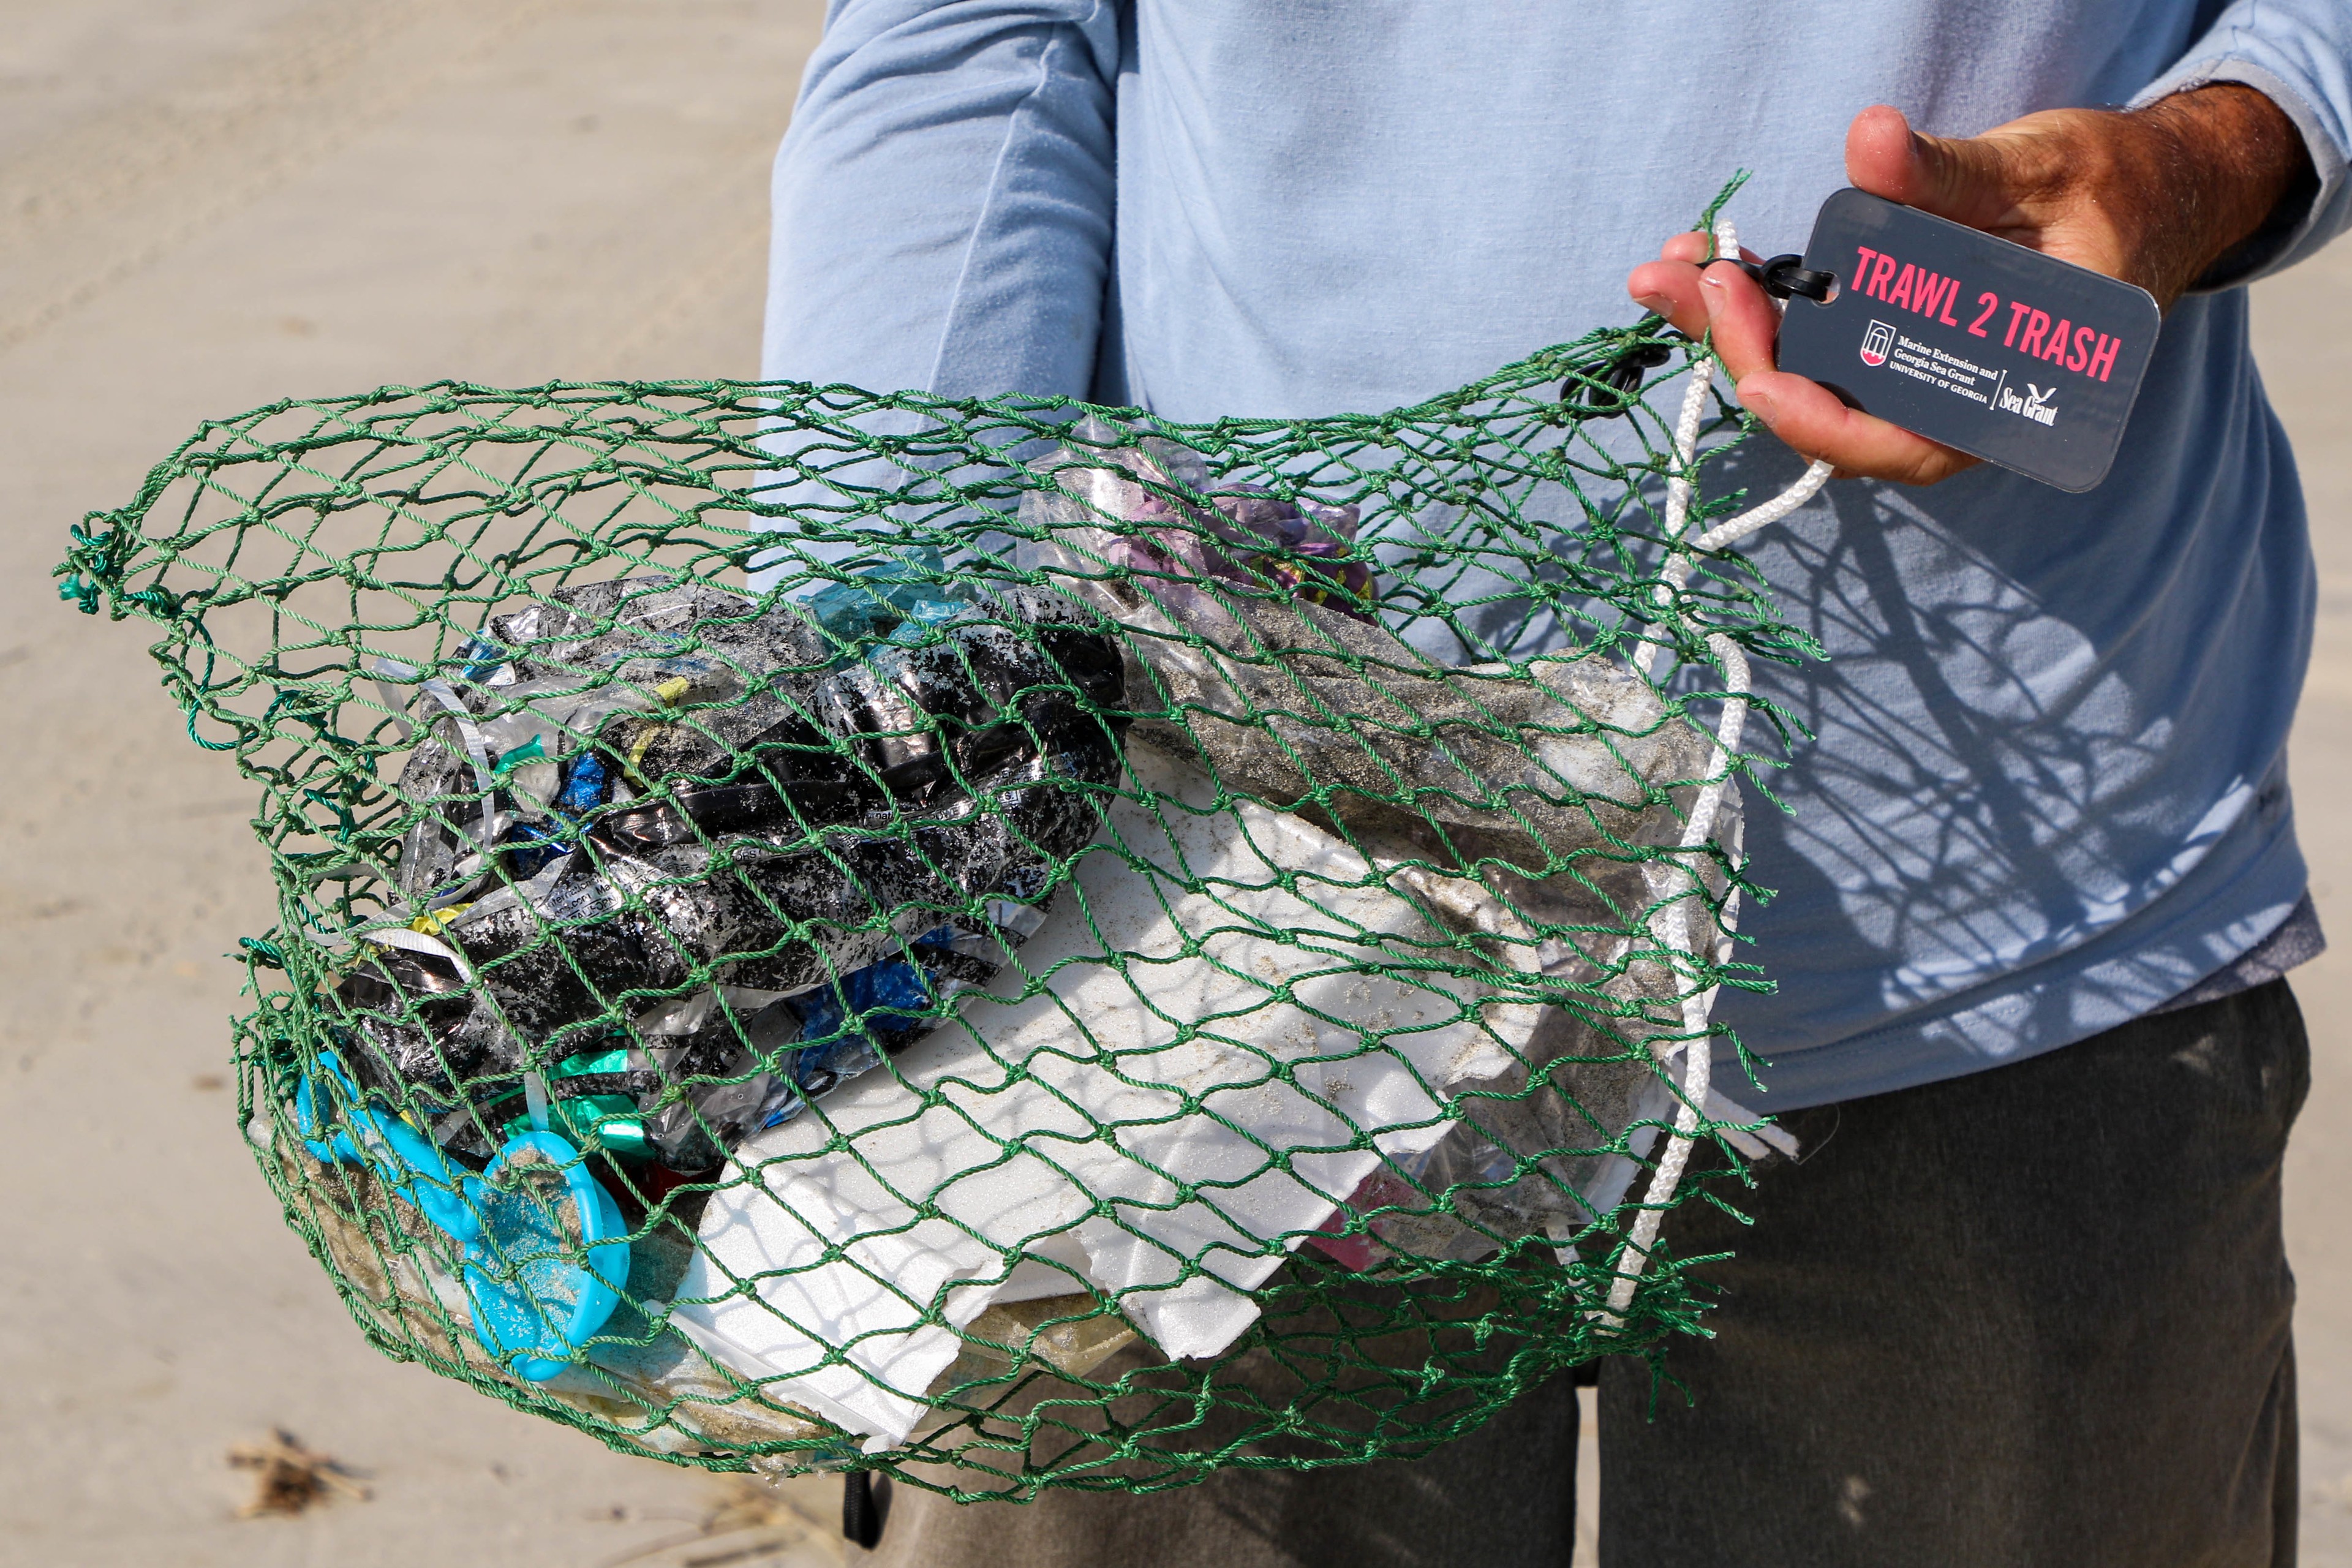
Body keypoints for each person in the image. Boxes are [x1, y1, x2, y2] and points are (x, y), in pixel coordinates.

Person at [756, 6, 2348, 1564]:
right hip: (1215, 944)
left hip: (2019, 944)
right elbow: (974, 35)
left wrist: (2217, 151)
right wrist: (876, 744)